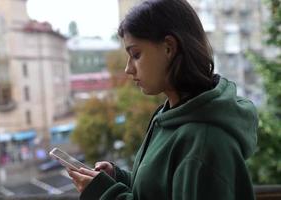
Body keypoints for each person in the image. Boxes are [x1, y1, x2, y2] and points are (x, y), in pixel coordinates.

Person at [67, 0, 258, 199]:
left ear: (169, 48)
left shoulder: (203, 142)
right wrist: (117, 178)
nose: (128, 69)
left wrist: (102, 194)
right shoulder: (170, 114)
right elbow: (161, 190)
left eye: (136, 54)